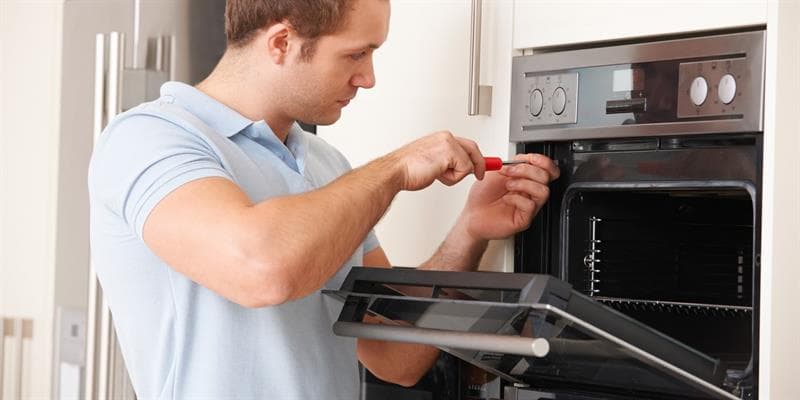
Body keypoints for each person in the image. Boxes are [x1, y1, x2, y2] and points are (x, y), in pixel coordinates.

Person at [87, 0, 560, 398]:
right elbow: (262, 271)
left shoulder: (325, 165)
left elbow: (398, 355)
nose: (368, 78)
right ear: (280, 43)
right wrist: (395, 168)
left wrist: (470, 229)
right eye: (356, 54)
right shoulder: (150, 139)